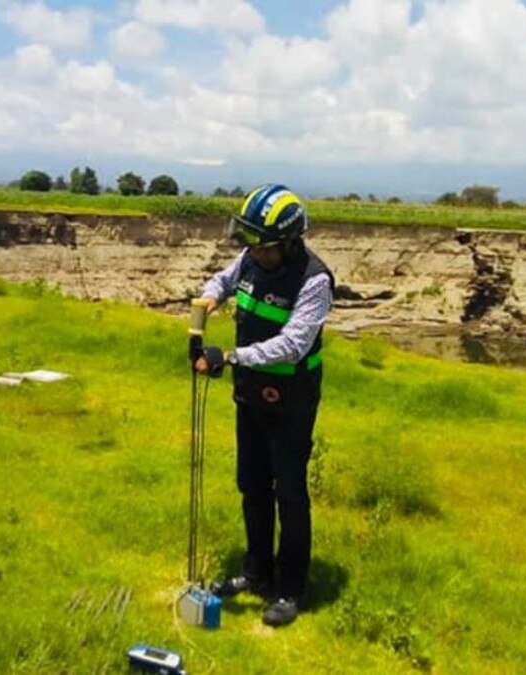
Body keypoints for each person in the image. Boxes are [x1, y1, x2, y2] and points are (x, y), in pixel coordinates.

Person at [194, 184, 334, 627]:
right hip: (251, 394)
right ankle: (256, 572)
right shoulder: (251, 258)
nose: (255, 252)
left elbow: (293, 345)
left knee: (289, 493)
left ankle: (290, 589)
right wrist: (210, 299)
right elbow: (223, 279)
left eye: (264, 245)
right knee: (252, 484)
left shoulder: (314, 280)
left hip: (292, 400)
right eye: (251, 243)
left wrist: (230, 356)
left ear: (289, 242)